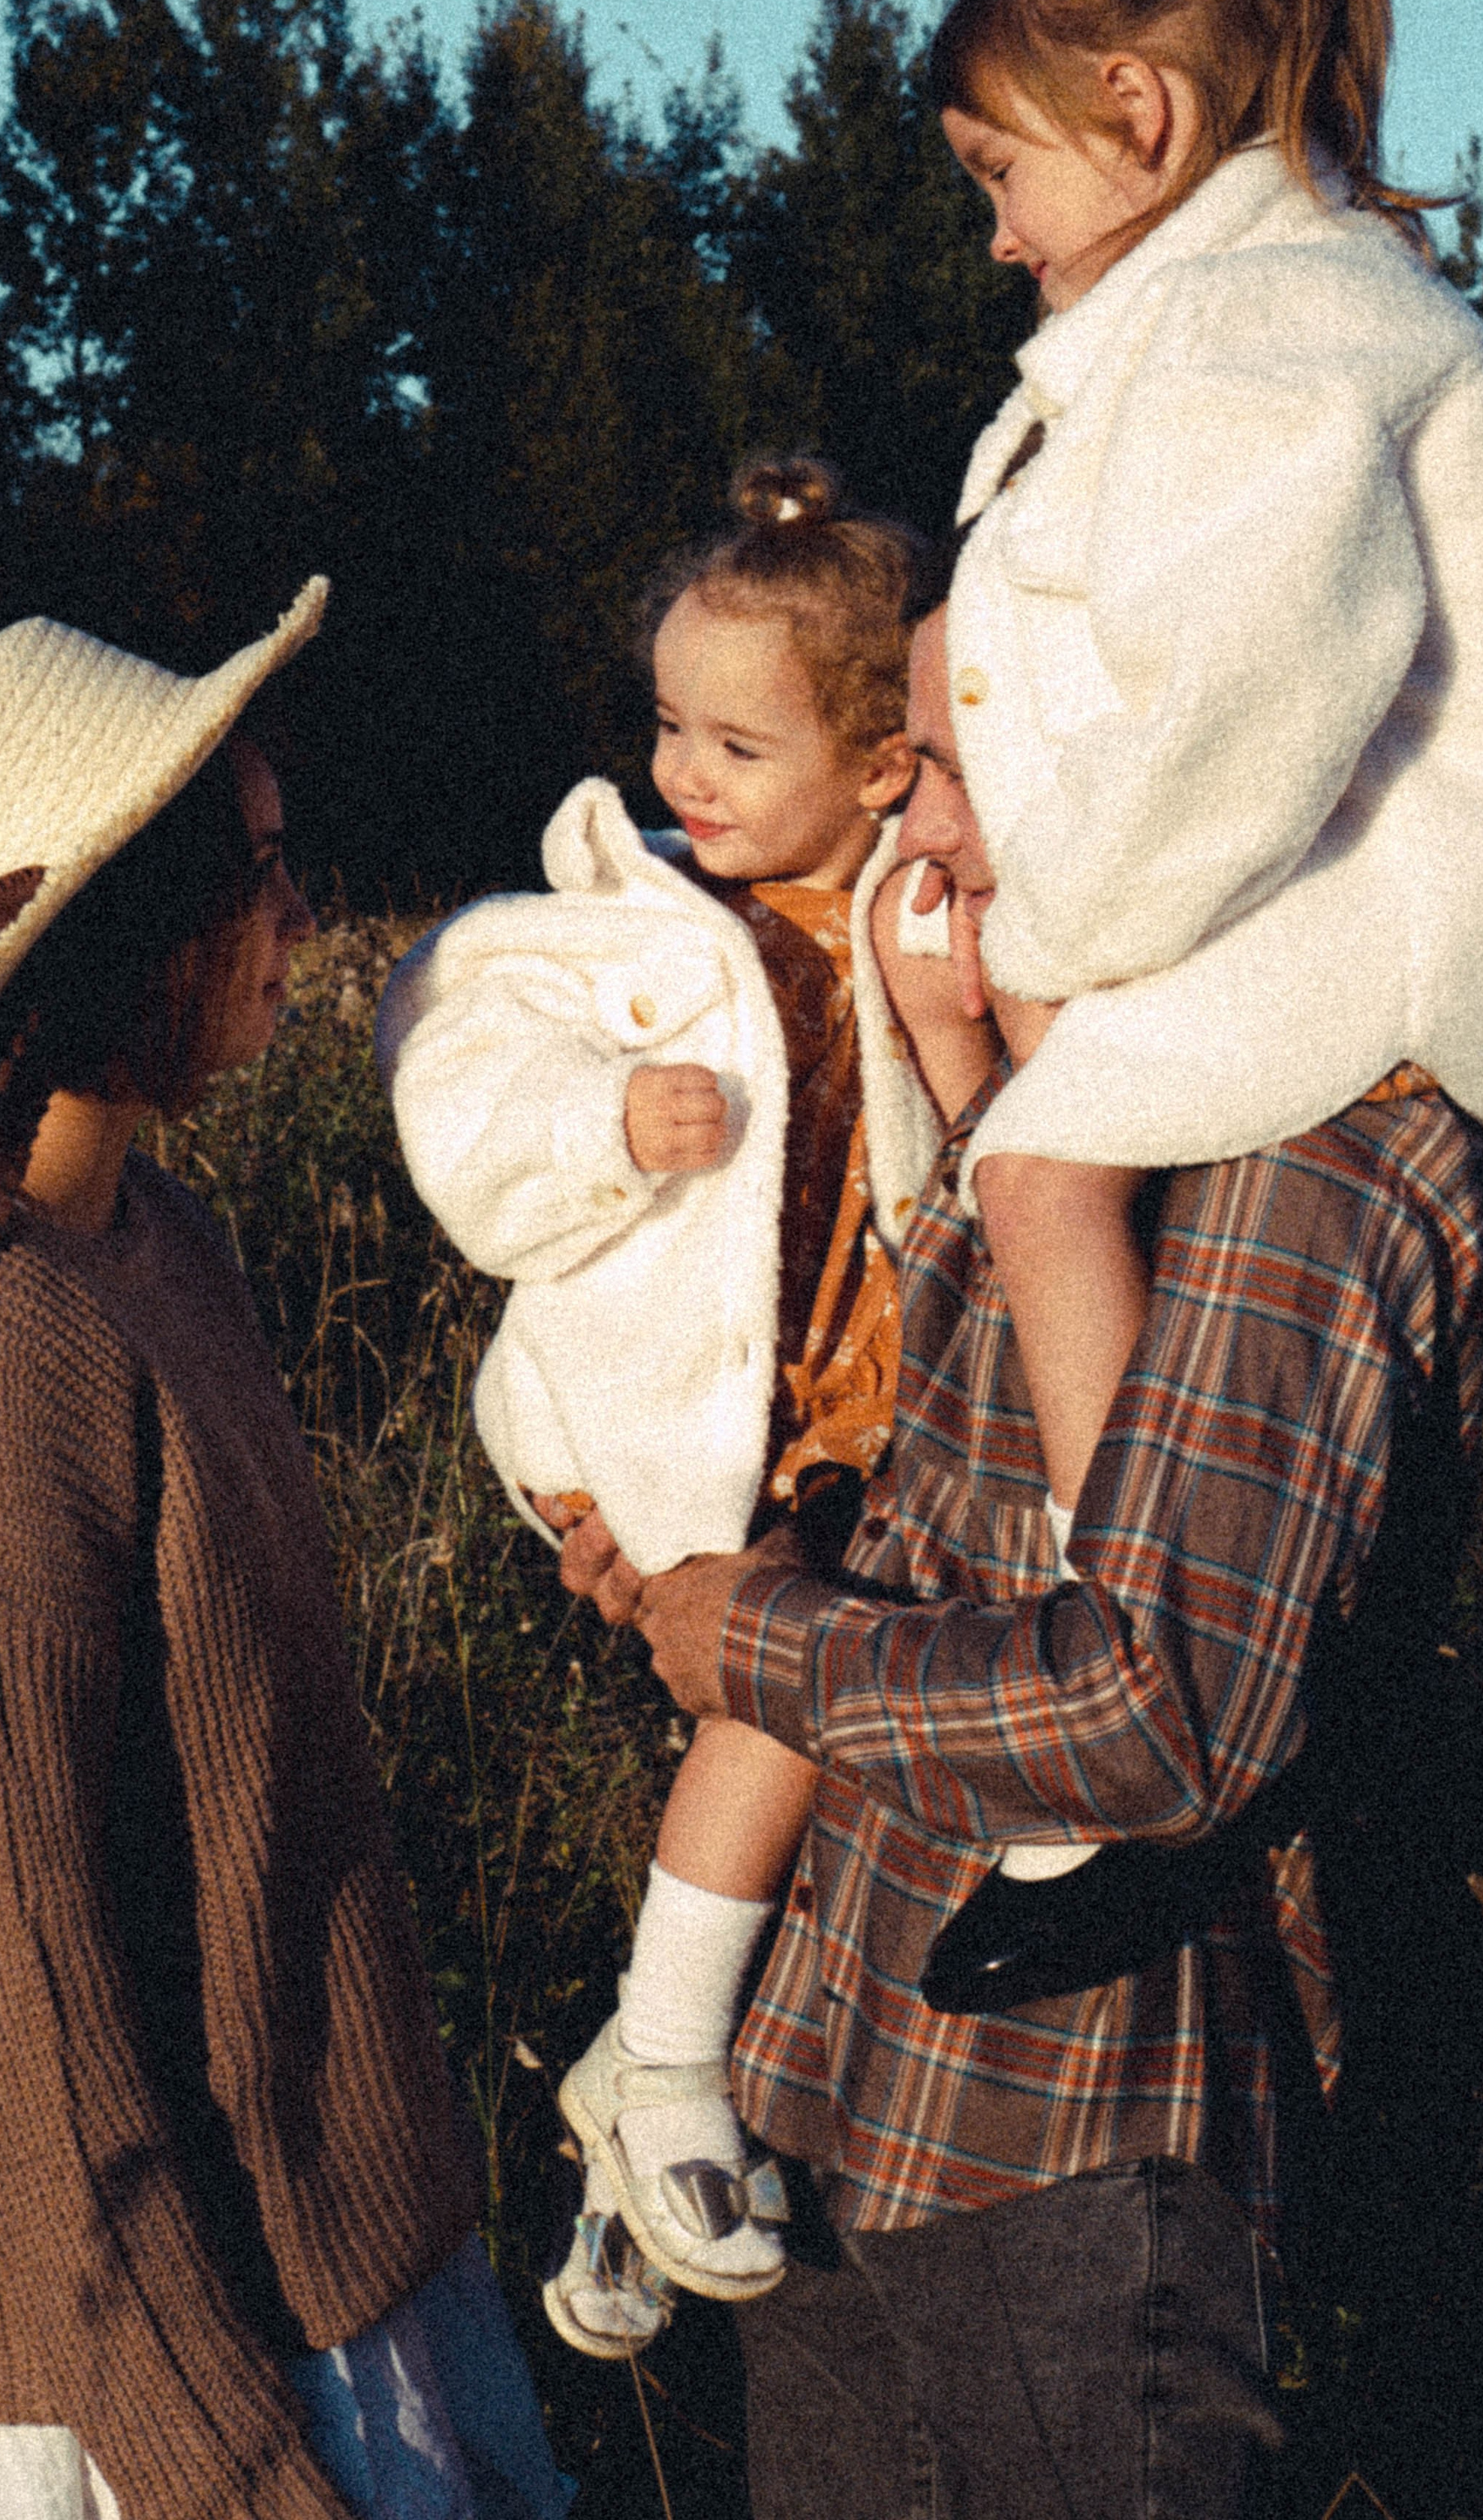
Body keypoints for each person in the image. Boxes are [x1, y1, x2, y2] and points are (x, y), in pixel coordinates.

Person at [588, 582, 1483, 2519]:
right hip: (839, 2073)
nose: (911, 825)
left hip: (1075, 2147)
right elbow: (948, 1485)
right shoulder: (1069, 1061)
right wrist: (704, 1551)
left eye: (951, 764)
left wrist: (755, 1646)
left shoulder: (1308, 1150)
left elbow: (1160, 1714)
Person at [0, 593, 573, 2520]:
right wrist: (229, 2477)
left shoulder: (145, 1235)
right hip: (130, 2382)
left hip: (312, 2264)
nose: (303, 918)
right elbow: (13, 2006)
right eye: (260, 874)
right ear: (130, 924)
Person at [903, 0, 1483, 1947]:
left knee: (1038, 1161)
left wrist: (1050, 934)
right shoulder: (1241, 312)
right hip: (1332, 899)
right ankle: (1180, 1657)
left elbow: (1249, 697)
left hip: (1396, 927)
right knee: (1048, 1158)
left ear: (1138, 111)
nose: (995, 233)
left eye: (1000, 171)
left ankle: (1139, 1679)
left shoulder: (1270, 330)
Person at [379, 461, 994, 2353]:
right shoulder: (627, 920)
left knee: (831, 1779)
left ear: (880, 766)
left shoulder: (914, 905)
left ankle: (626, 2164)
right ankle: (658, 2057)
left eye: (737, 742)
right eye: (666, 727)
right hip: (672, 1418)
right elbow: (445, 1038)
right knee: (783, 1697)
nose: (684, 775)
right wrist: (598, 1119)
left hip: (858, 1411)